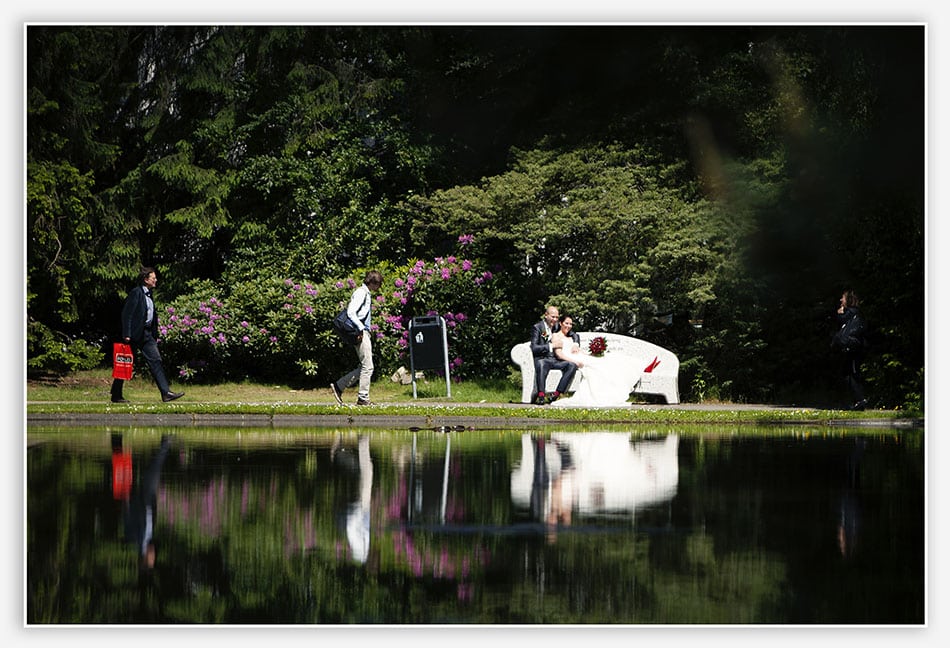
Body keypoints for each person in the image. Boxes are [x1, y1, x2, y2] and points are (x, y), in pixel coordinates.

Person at [111, 267, 184, 403]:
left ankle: (165, 393)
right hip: (134, 335)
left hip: (147, 334)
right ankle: (116, 394)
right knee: (125, 363)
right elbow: (127, 314)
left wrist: (154, 334)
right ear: (146, 280)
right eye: (153, 278)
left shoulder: (150, 295)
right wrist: (127, 334)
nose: (155, 280)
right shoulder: (136, 293)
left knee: (156, 360)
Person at [549, 315, 640, 407]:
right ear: (560, 323)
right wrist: (574, 362)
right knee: (598, 366)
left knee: (605, 360)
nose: (568, 326)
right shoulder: (556, 336)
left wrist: (590, 355)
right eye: (566, 323)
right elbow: (559, 354)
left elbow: (580, 351)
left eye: (570, 324)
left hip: (580, 357)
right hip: (572, 359)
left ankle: (637, 367)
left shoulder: (571, 337)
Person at [330, 270, 383, 406]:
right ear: (372, 282)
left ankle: (339, 386)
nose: (379, 288)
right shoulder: (361, 293)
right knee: (368, 367)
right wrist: (360, 328)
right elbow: (351, 312)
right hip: (360, 331)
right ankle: (363, 398)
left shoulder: (365, 293)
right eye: (378, 284)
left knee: (364, 366)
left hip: (362, 331)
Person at [529, 305, 577, 404]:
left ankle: (556, 394)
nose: (554, 319)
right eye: (552, 317)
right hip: (543, 359)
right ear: (546, 315)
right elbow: (534, 348)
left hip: (555, 360)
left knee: (572, 365)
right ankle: (541, 395)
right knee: (542, 364)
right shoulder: (537, 328)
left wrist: (576, 343)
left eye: (556, 317)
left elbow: (573, 334)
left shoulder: (556, 326)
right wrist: (552, 346)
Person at [833, 289, 868, 411]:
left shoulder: (849, 312)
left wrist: (840, 314)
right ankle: (857, 401)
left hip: (851, 346)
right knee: (849, 373)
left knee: (850, 373)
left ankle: (859, 400)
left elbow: (843, 323)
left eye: (843, 298)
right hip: (853, 346)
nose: (841, 300)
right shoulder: (856, 313)